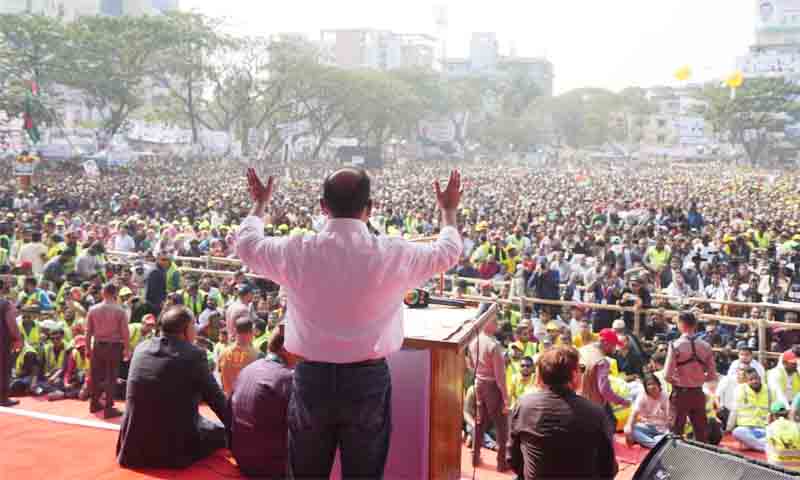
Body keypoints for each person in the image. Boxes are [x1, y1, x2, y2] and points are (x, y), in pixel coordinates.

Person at [235, 167, 463, 479]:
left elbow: (247, 246)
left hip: (312, 379)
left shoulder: (297, 250)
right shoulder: (392, 253)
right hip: (368, 382)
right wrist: (448, 211)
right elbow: (448, 252)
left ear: (323, 206)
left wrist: (260, 204)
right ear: (369, 208)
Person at [116, 306, 228, 468]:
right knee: (220, 432)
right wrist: (240, 429)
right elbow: (217, 400)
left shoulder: (141, 347)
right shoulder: (194, 354)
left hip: (133, 448)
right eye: (194, 325)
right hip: (173, 450)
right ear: (186, 329)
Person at [506, 346, 618, 480]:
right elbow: (609, 468)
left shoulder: (524, 406)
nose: (582, 373)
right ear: (574, 375)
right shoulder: (595, 412)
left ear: (539, 376)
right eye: (581, 369)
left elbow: (513, 458)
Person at [228, 323, 298, 478]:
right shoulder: (287, 378)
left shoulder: (248, 369)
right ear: (287, 349)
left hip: (241, 458)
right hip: (271, 468)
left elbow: (228, 413)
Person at [665, 311, 717, 443]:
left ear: (681, 324)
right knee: (701, 433)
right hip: (698, 392)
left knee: (676, 432)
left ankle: (675, 456)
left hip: (681, 392)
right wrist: (698, 379)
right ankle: (701, 455)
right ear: (695, 325)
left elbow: (666, 375)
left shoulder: (675, 345)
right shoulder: (706, 346)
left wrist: (677, 380)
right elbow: (712, 375)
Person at [468, 310, 510, 471]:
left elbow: (471, 365)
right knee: (501, 425)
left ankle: (475, 456)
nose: (497, 324)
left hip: (478, 383)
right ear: (488, 324)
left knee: (480, 421)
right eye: (495, 321)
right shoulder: (493, 345)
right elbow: (500, 376)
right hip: (492, 386)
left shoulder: (474, 341)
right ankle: (501, 462)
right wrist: (505, 397)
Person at [86, 282, 129, 418]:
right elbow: (125, 332)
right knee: (111, 377)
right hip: (113, 346)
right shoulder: (120, 311)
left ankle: (94, 403)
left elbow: (88, 332)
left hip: (98, 345)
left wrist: (88, 348)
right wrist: (127, 349)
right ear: (115, 293)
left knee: (96, 375)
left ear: (103, 293)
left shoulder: (93, 309)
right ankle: (108, 407)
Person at [579, 328, 631, 431]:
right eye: (613, 345)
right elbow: (604, 390)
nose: (615, 349)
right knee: (609, 426)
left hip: (578, 398)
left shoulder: (582, 350)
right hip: (594, 404)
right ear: (606, 343)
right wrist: (622, 401)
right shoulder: (602, 362)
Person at [728, 367, 770, 452]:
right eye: (751, 379)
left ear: (760, 378)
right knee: (737, 432)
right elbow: (734, 410)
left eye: (756, 378)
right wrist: (729, 428)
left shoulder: (768, 390)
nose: (754, 381)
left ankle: (753, 444)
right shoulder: (740, 389)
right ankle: (763, 446)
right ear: (746, 381)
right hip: (747, 429)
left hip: (765, 429)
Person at [624, 374, 671, 449]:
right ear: (645, 387)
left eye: (654, 384)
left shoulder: (665, 395)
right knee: (631, 429)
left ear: (659, 385)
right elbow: (634, 413)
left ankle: (654, 444)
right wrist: (628, 427)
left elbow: (671, 415)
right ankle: (657, 445)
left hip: (663, 428)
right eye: (649, 384)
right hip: (648, 426)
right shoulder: (642, 395)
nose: (652, 387)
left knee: (667, 437)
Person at [219, 318, 259, 397]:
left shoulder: (223, 353)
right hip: (247, 398)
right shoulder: (257, 355)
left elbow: (220, 374)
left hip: (229, 397)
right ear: (252, 332)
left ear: (235, 331)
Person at [0, 280, 22, 406]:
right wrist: (17, 338)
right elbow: (11, 323)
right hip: (2, 341)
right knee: (3, 369)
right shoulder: (5, 304)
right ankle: (2, 398)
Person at [766, 400, 800, 471]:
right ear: (787, 414)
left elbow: (768, 451)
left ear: (771, 416)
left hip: (778, 468)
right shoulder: (797, 426)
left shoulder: (770, 428)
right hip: (797, 469)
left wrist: (768, 424)